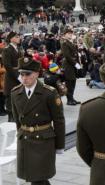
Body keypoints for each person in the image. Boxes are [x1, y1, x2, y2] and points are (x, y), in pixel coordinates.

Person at [11, 57, 65, 185]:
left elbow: (59, 121)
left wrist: (60, 145)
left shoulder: (49, 93)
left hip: (43, 140)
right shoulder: (15, 93)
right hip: (25, 139)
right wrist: (20, 135)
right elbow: (17, 120)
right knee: (36, 178)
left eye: (28, 74)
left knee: (38, 178)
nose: (24, 77)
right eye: (21, 74)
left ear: (36, 74)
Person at [2, 31, 22, 121]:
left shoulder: (18, 48)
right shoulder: (7, 49)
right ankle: (11, 118)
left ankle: (17, 116)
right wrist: (17, 76)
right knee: (10, 98)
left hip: (19, 75)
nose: (19, 38)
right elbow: (7, 65)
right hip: (11, 77)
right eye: (17, 36)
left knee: (18, 96)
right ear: (11, 39)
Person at [60, 28, 81, 105]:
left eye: (71, 33)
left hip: (73, 65)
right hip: (68, 65)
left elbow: (75, 54)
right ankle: (69, 100)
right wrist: (75, 63)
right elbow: (67, 55)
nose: (70, 35)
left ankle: (72, 98)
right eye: (68, 33)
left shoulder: (71, 43)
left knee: (73, 82)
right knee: (69, 83)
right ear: (64, 35)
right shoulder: (64, 43)